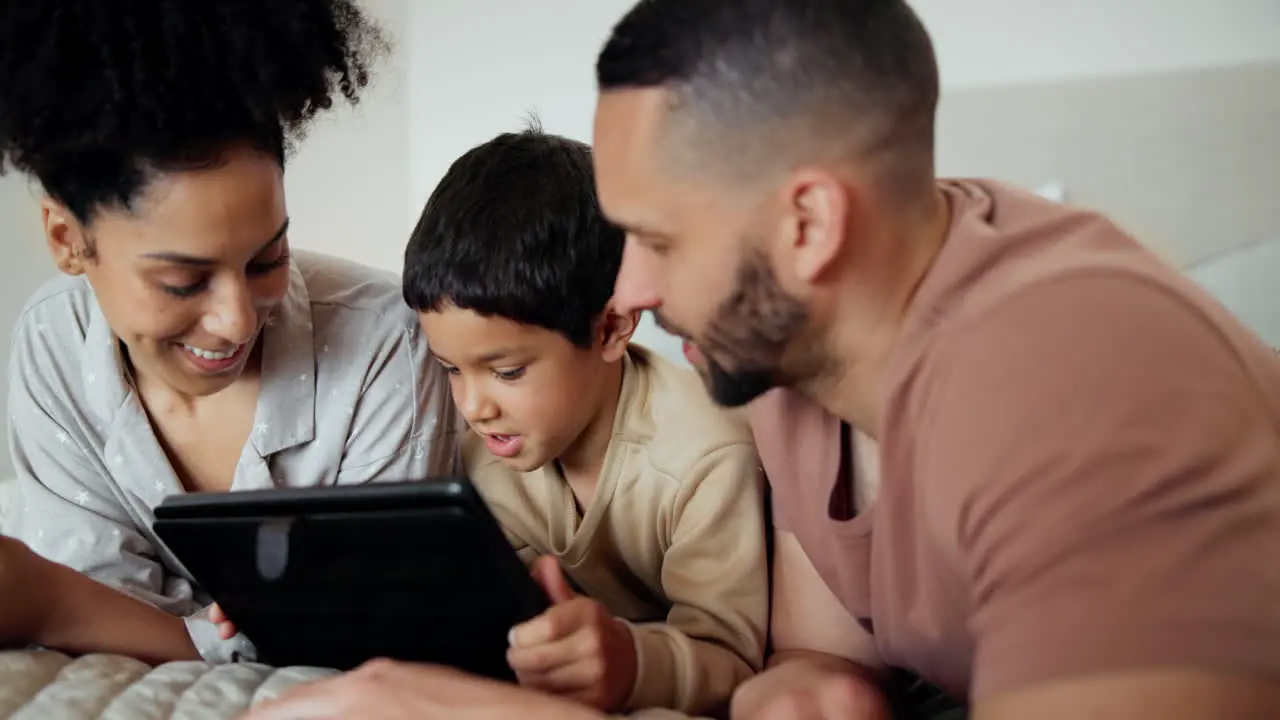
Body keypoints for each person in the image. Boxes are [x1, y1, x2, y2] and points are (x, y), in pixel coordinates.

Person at [0, 0, 460, 665]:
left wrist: (52, 602)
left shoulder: (384, 344)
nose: (238, 319)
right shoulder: (52, 343)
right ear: (68, 240)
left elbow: (361, 634)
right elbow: (101, 595)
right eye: (183, 282)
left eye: (268, 260)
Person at [403, 125, 767, 716]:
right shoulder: (483, 453)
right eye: (451, 369)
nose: (473, 406)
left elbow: (734, 659)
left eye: (508, 371)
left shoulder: (706, 456)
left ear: (611, 329)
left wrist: (631, 663)